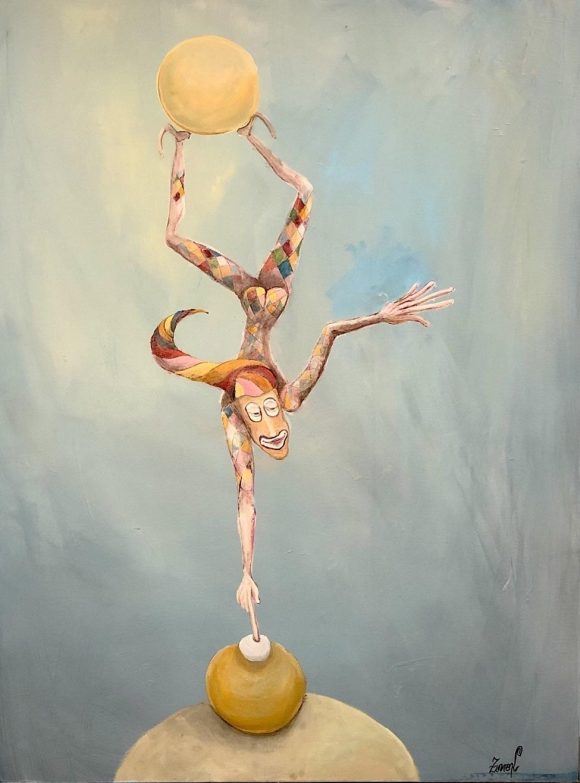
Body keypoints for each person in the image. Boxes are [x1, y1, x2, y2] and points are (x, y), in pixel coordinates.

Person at [151, 117, 454, 636]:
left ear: (246, 420)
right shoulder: (291, 395)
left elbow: (246, 496)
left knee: (172, 236)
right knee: (306, 191)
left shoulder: (230, 409)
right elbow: (330, 332)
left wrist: (246, 571)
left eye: (261, 417)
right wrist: (381, 316)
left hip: (246, 293)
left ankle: (182, 142)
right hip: (273, 291)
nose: (267, 412)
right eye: (274, 416)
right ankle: (247, 135)